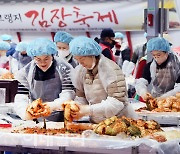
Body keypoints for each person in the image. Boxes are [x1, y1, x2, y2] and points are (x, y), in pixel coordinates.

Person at [68, 36, 137, 124]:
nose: (80, 63)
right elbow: (81, 96)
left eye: (82, 59)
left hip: (121, 122)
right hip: (97, 123)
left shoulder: (110, 69)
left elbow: (117, 103)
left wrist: (88, 109)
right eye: (77, 59)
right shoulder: (81, 71)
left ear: (92, 55)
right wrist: (78, 107)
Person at [14, 38, 75, 121]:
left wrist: (53, 106)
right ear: (33, 57)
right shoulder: (26, 72)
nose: (42, 63)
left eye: (46, 59)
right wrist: (24, 113)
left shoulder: (64, 68)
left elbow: (68, 94)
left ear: (52, 55)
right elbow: (21, 97)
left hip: (61, 118)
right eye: (38, 59)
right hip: (36, 118)